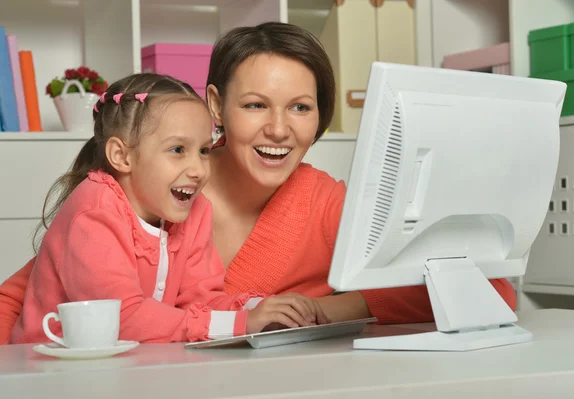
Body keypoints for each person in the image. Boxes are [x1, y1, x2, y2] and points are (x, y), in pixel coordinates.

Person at [0, 22, 516, 344]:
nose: (279, 129)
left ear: (320, 118)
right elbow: (28, 296)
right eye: (254, 105)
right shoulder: (151, 186)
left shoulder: (324, 203)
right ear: (215, 105)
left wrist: (325, 309)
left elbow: (488, 291)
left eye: (300, 108)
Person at [9, 73, 328, 345]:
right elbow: (123, 318)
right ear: (122, 156)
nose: (198, 169)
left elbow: (200, 299)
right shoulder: (94, 214)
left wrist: (263, 308)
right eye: (178, 150)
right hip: (50, 373)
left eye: (203, 150)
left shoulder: (195, 210)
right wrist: (241, 324)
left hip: (133, 368)